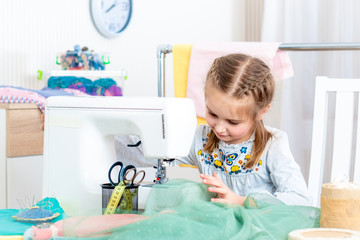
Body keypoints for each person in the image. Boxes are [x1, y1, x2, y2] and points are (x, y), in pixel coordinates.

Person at [177, 53, 311, 206]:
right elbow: (151, 154)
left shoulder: (272, 145)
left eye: (233, 122)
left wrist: (241, 202)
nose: (219, 128)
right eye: (212, 114)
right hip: (218, 225)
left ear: (261, 112)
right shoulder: (200, 139)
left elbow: (301, 199)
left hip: (258, 227)